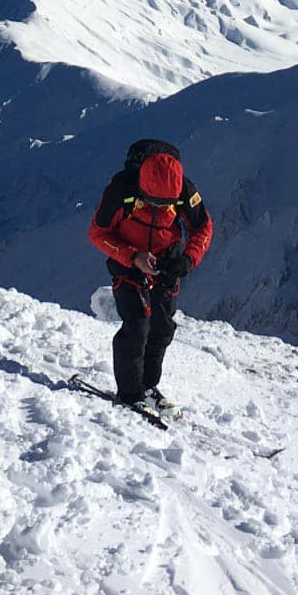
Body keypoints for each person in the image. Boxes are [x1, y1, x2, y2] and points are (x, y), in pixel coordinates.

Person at [88, 139, 212, 411]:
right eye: (153, 202)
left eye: (164, 204)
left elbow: (203, 228)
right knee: (137, 327)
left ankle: (148, 386)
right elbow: (98, 233)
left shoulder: (184, 191)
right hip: (128, 263)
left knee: (162, 328)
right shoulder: (120, 191)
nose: (159, 208)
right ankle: (130, 394)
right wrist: (133, 256)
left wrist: (187, 260)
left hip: (166, 263)